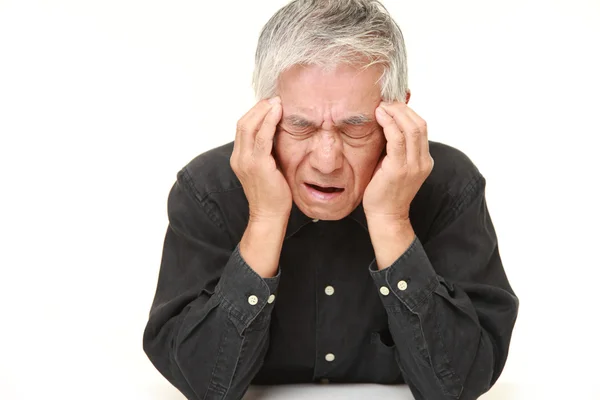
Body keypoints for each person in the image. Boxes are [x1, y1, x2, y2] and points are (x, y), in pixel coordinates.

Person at [142, 1, 519, 399]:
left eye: (355, 127)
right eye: (300, 126)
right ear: (264, 115)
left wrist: (391, 220)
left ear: (399, 115)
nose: (326, 161)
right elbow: (203, 385)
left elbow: (459, 386)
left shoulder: (448, 186)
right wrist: (266, 218)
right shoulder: (208, 191)